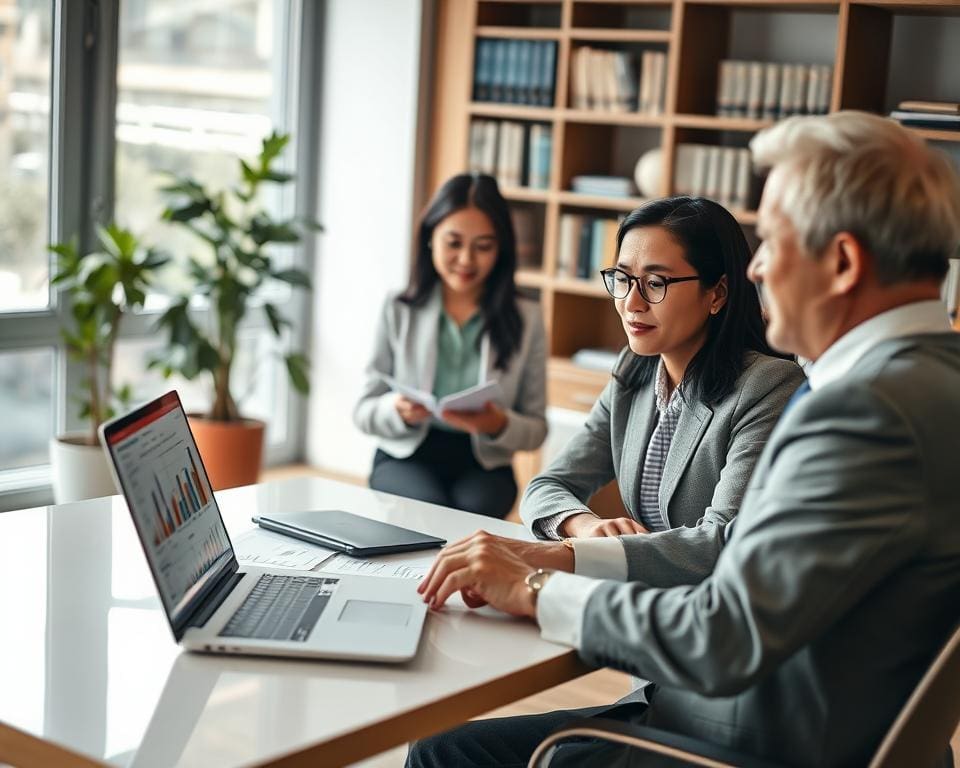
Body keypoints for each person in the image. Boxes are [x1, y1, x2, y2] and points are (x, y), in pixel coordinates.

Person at [409, 112, 960, 767]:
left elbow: (723, 632)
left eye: (773, 242)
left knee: (445, 755)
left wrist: (533, 589)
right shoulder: (929, 378)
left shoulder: (866, 411)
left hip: (741, 742)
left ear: (841, 261)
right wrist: (559, 555)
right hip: (788, 723)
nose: (756, 269)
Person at [521, 197, 804, 591]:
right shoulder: (634, 369)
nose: (631, 304)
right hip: (642, 594)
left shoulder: (767, 386)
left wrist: (575, 556)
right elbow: (547, 485)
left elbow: (722, 540)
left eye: (656, 283)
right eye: (623, 279)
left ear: (717, 293)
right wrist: (585, 527)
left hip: (710, 610)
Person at [354, 173, 547, 519]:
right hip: (406, 453)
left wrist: (498, 424)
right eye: (453, 243)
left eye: (483, 246)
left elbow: (536, 430)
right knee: (428, 511)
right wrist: (396, 410)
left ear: (501, 248)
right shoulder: (398, 307)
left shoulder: (527, 317)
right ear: (430, 238)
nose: (466, 260)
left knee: (473, 513)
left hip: (483, 462)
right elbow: (364, 411)